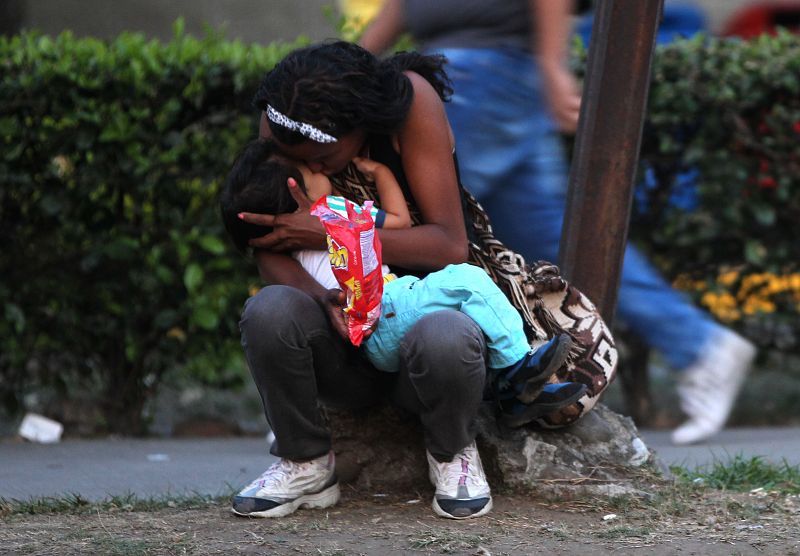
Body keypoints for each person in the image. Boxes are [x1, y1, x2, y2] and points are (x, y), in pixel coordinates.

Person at [359, 0, 757, 446]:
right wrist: (343, 73)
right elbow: (395, 12)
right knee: (550, 235)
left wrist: (552, 63)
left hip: (478, 79)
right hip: (484, 79)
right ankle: (700, 346)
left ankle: (400, 387)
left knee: (422, 228)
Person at [226, 41, 533, 521]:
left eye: (322, 157)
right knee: (269, 310)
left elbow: (448, 244)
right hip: (343, 339)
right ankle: (305, 462)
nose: (312, 168)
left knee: (447, 335)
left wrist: (333, 234)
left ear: (360, 125)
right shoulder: (282, 120)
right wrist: (324, 298)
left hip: (421, 329)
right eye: (298, 159)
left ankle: (451, 454)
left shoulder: (412, 106)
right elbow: (269, 239)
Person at [220, 139, 586, 429]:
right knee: (468, 281)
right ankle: (518, 371)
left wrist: (380, 173)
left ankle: (515, 384)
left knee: (464, 299)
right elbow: (399, 221)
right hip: (385, 315)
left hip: (389, 310)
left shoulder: (315, 228)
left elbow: (397, 224)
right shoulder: (330, 212)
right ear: (296, 193)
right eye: (306, 168)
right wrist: (380, 174)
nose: (317, 165)